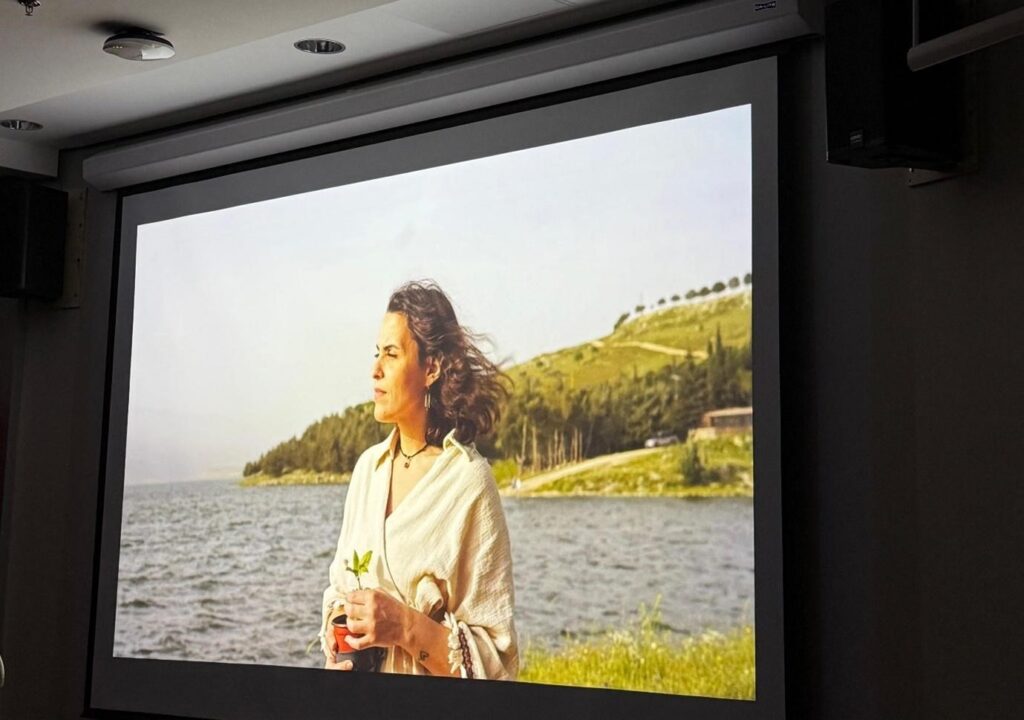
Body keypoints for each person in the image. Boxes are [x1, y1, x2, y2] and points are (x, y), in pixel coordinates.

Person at [320, 280, 518, 679]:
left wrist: (405, 627)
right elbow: (338, 589)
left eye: (391, 354)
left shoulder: (469, 482)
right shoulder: (367, 470)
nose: (375, 369)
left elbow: (499, 664)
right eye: (377, 354)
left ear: (431, 368)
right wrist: (335, 628)